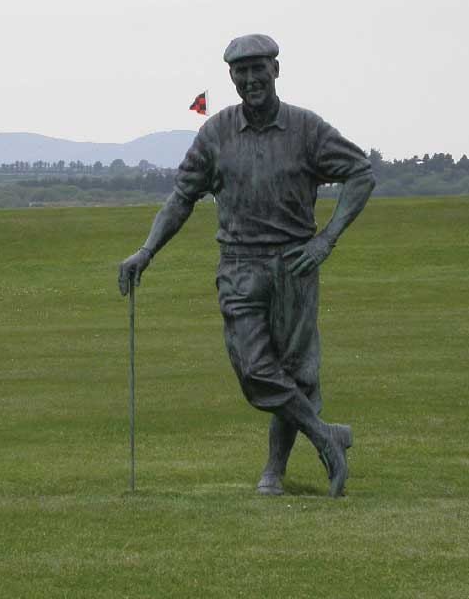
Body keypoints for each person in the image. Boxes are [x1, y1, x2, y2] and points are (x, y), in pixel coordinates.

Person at [117, 33, 375, 497]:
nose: (251, 79)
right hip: (239, 266)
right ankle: (326, 436)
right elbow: (182, 198)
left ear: (276, 70)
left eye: (259, 69)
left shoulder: (307, 129)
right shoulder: (215, 133)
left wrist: (326, 241)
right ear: (231, 76)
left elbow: (361, 172)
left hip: (295, 264)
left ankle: (273, 473)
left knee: (295, 373)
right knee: (255, 371)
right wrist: (146, 250)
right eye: (241, 71)